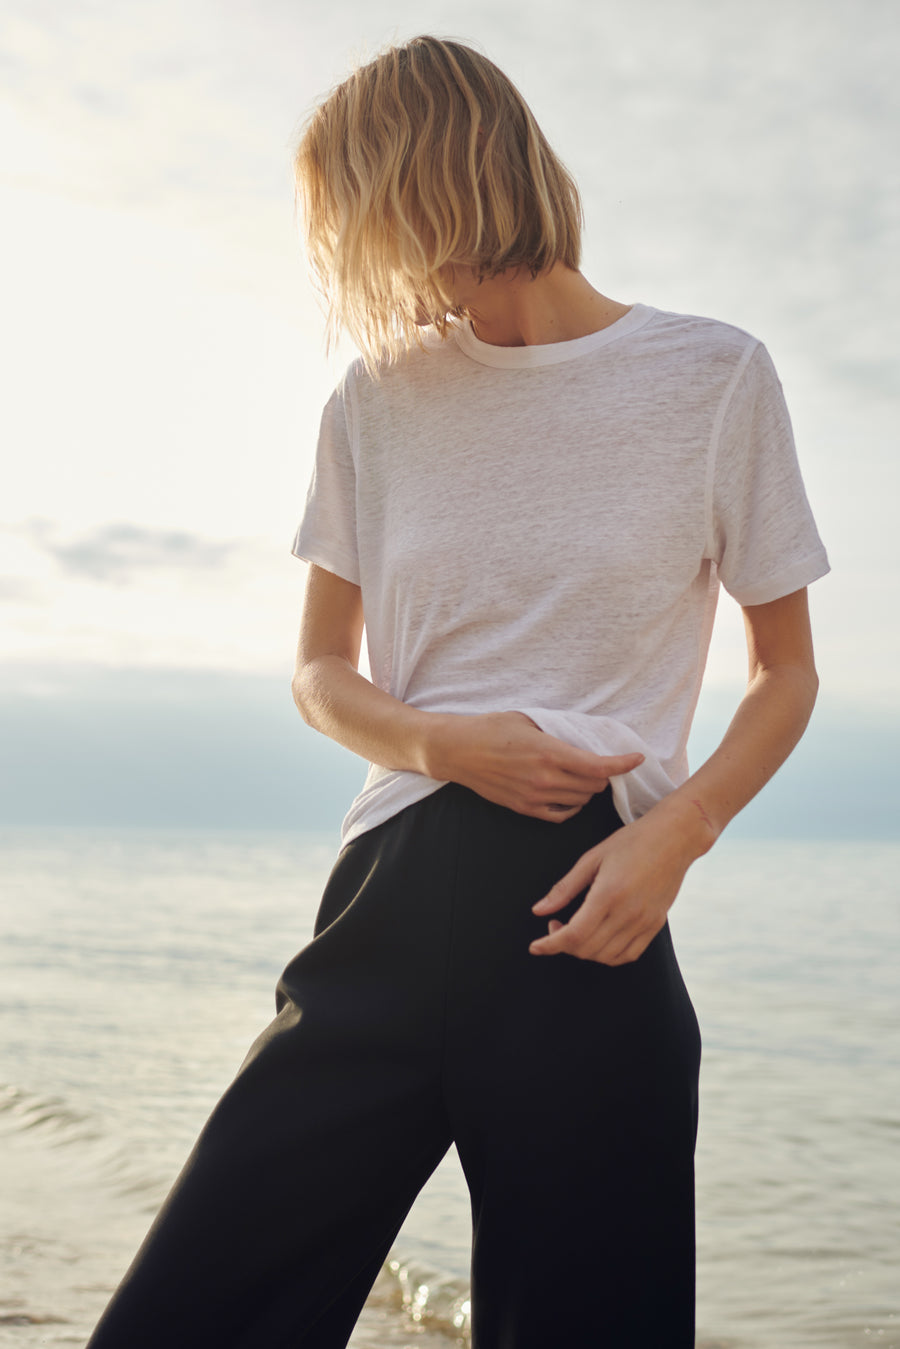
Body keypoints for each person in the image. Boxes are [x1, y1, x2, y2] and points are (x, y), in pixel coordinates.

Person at [87, 34, 829, 1349]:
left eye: (368, 214)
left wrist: (675, 834)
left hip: (590, 911)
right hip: (392, 901)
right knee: (187, 1318)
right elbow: (319, 672)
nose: (364, 260)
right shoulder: (375, 398)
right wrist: (444, 739)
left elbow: (786, 670)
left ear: (442, 179)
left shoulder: (715, 378)